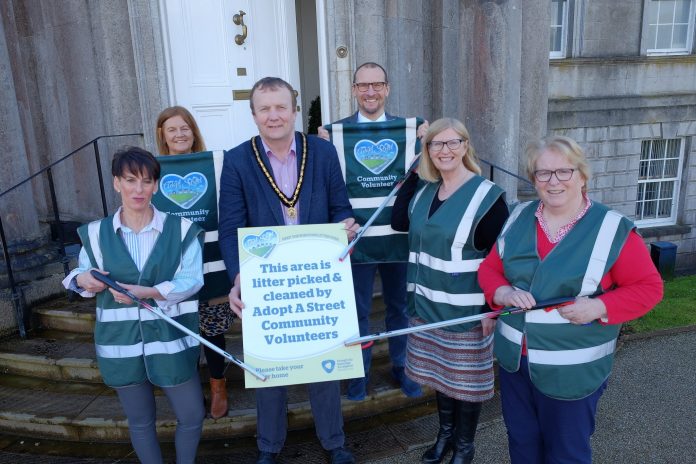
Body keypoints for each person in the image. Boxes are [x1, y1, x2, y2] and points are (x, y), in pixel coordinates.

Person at [477, 135, 664, 464]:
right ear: (533, 179)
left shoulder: (611, 228)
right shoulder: (518, 217)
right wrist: (502, 292)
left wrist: (599, 306)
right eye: (543, 173)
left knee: (566, 453)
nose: (553, 181)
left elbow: (649, 288)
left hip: (572, 370)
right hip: (515, 364)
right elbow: (490, 268)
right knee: (522, 445)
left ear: (582, 175)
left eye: (563, 171)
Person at [218, 77, 359, 464]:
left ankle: (334, 442)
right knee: (267, 367)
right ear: (253, 115)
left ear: (295, 110)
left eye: (281, 107)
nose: (273, 115)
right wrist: (238, 276)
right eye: (264, 108)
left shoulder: (324, 153)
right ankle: (269, 446)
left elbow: (340, 207)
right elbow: (229, 227)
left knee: (323, 362)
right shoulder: (236, 160)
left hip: (315, 279)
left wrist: (347, 225)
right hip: (266, 281)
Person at [62, 147, 206, 464]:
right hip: (121, 345)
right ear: (116, 183)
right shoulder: (96, 234)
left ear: (156, 185)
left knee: (193, 415)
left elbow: (192, 280)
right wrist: (82, 278)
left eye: (146, 181)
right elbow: (78, 274)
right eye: (130, 180)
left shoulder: (182, 231)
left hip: (171, 342)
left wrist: (150, 290)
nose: (138, 190)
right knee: (140, 423)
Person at [391, 118, 508, 464]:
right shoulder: (426, 189)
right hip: (427, 304)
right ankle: (444, 437)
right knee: (442, 377)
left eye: (453, 142)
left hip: (467, 311)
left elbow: (501, 257)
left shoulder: (487, 195)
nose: (445, 150)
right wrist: (415, 170)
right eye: (436, 144)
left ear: (465, 145)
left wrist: (492, 306)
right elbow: (400, 222)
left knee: (465, 384)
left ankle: (465, 446)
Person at [318, 62, 428, 401]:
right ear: (353, 90)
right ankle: (358, 374)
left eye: (377, 84)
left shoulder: (410, 131)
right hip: (356, 238)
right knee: (357, 311)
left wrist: (427, 136)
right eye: (363, 85)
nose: (370, 91)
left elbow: (435, 165)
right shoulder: (333, 135)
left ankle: (402, 367)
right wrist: (322, 141)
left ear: (387, 88)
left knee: (399, 306)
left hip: (397, 238)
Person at [156, 105, 232, 419]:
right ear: (162, 135)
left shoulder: (213, 166)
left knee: (212, 330)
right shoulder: (153, 170)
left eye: (185, 128)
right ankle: (190, 388)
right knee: (181, 332)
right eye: (172, 129)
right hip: (173, 267)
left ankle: (218, 385)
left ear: (194, 131)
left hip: (212, 262)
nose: (180, 134)